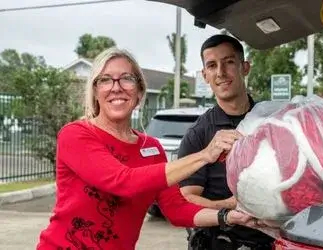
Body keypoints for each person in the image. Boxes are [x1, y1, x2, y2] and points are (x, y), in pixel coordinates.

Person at [36, 47, 263, 250]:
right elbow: (123, 181)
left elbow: (176, 209)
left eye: (126, 79)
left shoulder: (151, 148)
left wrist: (229, 216)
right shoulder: (76, 134)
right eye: (105, 80)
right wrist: (205, 155)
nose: (116, 88)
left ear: (139, 92)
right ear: (95, 91)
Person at [178, 34, 275, 249]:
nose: (220, 73)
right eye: (212, 66)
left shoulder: (272, 123)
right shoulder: (198, 134)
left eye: (229, 62)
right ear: (205, 75)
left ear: (245, 67)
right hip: (222, 242)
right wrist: (230, 209)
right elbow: (186, 199)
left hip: (274, 242)